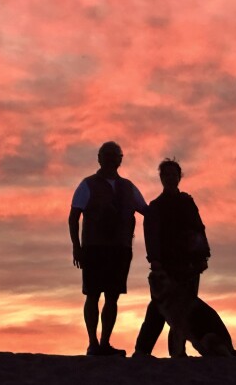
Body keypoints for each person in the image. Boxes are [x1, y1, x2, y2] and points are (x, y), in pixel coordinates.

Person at [69, 141, 148, 356]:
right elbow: (74, 217)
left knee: (113, 296)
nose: (112, 158)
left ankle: (105, 343)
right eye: (107, 154)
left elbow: (147, 212)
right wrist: (77, 247)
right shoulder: (87, 185)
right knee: (93, 295)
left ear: (121, 159)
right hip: (94, 248)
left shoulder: (128, 187)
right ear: (99, 158)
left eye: (115, 155)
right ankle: (93, 343)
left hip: (121, 249)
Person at [134, 158, 210, 357]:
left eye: (173, 174)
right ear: (161, 178)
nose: (170, 178)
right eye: (166, 175)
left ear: (179, 177)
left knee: (185, 309)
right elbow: (151, 234)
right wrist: (155, 260)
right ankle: (142, 350)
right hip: (166, 266)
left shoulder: (187, 202)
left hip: (189, 264)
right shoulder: (156, 206)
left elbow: (198, 228)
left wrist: (203, 256)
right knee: (158, 309)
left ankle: (178, 352)